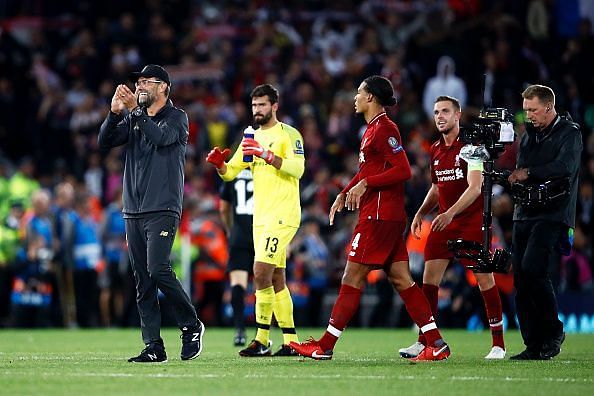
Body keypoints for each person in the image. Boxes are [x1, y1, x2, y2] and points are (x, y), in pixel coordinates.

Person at [289, 75, 450, 361]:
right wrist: (346, 191)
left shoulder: (385, 128)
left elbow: (404, 170)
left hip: (379, 215)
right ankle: (435, 342)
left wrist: (366, 184)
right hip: (383, 214)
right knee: (402, 280)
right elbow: (367, 171)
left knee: (351, 276)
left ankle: (325, 346)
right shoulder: (372, 129)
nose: (355, 98)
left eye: (359, 93)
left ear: (371, 97)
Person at [98, 64, 204, 363]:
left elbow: (160, 138)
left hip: (163, 207)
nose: (140, 86)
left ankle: (191, 324)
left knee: (158, 268)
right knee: (143, 279)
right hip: (133, 208)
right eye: (138, 82)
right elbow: (104, 142)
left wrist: (135, 111)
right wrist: (114, 113)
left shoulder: (177, 117)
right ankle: (154, 346)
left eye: (146, 81)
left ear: (163, 87)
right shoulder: (134, 118)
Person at [399, 96, 506, 360]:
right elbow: (436, 188)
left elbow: (475, 187)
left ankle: (498, 344)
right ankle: (425, 341)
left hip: (470, 223)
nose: (440, 116)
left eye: (445, 111)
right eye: (436, 112)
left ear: (458, 115)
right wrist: (421, 212)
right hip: (444, 222)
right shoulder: (435, 149)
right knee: (429, 280)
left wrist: (449, 213)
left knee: (484, 279)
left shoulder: (473, 147)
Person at [207, 84, 303, 357]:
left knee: (260, 273)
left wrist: (266, 155)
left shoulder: (289, 134)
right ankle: (291, 341)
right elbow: (232, 172)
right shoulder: (250, 136)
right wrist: (219, 165)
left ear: (275, 106)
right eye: (254, 106)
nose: (257, 110)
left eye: (262, 105)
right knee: (276, 277)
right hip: (259, 219)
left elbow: (298, 169)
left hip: (283, 214)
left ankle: (262, 339)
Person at [507, 84, 582, 360]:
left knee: (533, 269)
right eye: (526, 110)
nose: (528, 116)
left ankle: (553, 333)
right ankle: (533, 342)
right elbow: (519, 171)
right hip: (524, 213)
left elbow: (565, 167)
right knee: (520, 278)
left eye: (533, 110)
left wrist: (528, 172)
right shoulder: (528, 137)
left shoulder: (570, 134)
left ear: (549, 107)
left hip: (554, 212)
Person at [219, 170, 255, 346]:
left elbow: (224, 207)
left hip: (239, 236)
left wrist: (229, 230)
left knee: (238, 284)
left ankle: (240, 330)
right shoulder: (265, 169)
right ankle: (262, 332)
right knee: (266, 284)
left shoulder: (232, 173)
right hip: (262, 232)